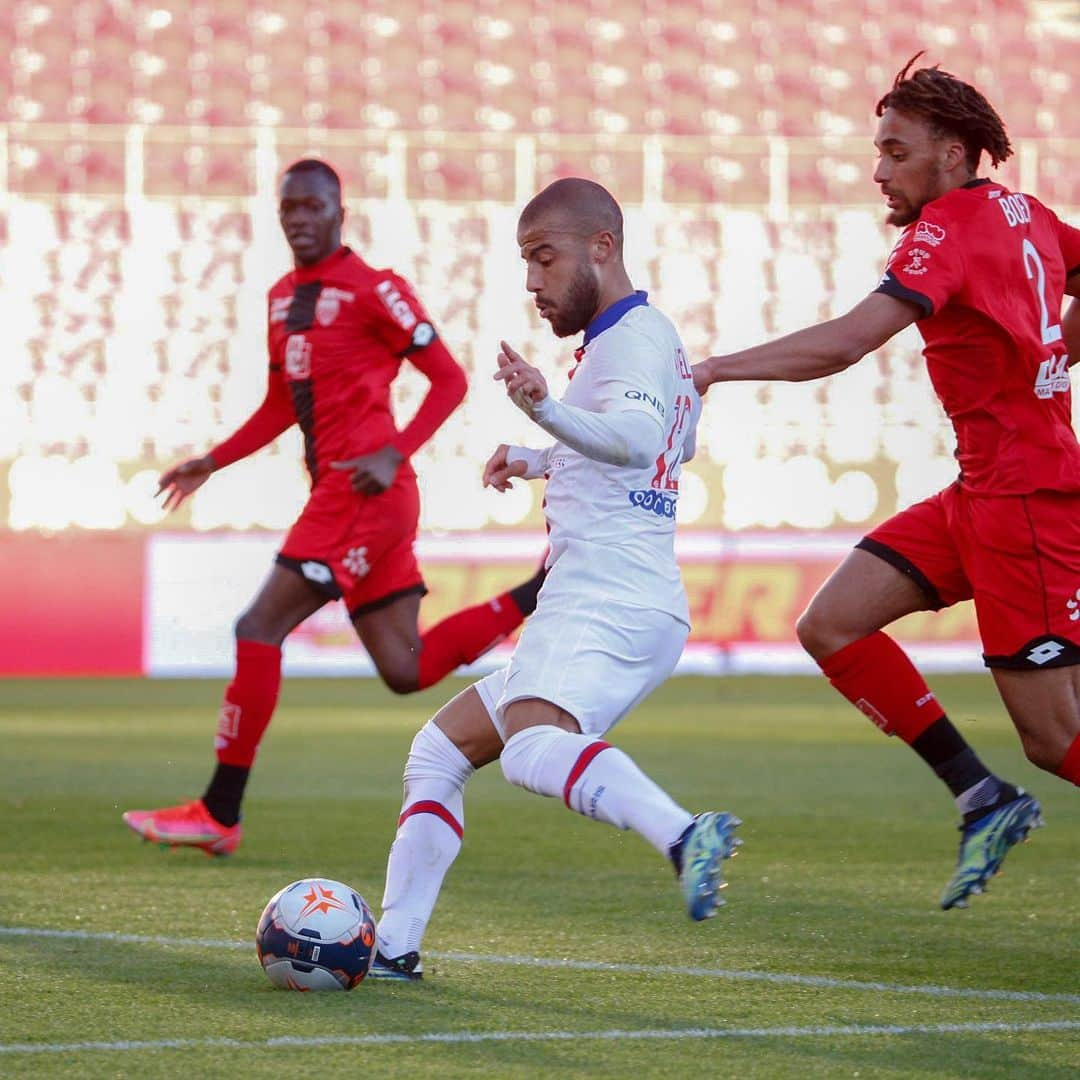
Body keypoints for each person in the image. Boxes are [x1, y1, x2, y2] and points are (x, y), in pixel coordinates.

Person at [693, 56, 1080, 910]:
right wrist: (1055, 352)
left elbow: (842, 345)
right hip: (981, 495)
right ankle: (983, 798)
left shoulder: (944, 227)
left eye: (895, 151)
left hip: (1024, 507)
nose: (879, 171)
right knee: (831, 624)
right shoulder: (1030, 216)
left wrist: (714, 368)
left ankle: (1001, 792)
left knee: (1057, 740)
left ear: (950, 154)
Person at [363, 177, 741, 982]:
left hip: (607, 596)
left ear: (601, 247)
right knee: (439, 754)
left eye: (544, 258)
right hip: (618, 594)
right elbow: (668, 453)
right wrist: (542, 458)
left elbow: (639, 442)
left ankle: (682, 834)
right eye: (525, 264)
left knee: (535, 747)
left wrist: (544, 412)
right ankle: (394, 948)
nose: (532, 282)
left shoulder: (632, 341)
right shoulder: (643, 340)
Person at [123, 159, 544, 855]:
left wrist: (397, 450)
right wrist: (214, 460)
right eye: (289, 207)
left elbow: (449, 379)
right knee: (404, 667)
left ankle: (219, 811)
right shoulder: (280, 298)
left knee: (258, 626)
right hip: (349, 498)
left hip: (362, 493)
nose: (299, 218)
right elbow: (280, 405)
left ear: (339, 212)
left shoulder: (376, 290)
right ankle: (539, 591)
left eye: (313, 206)